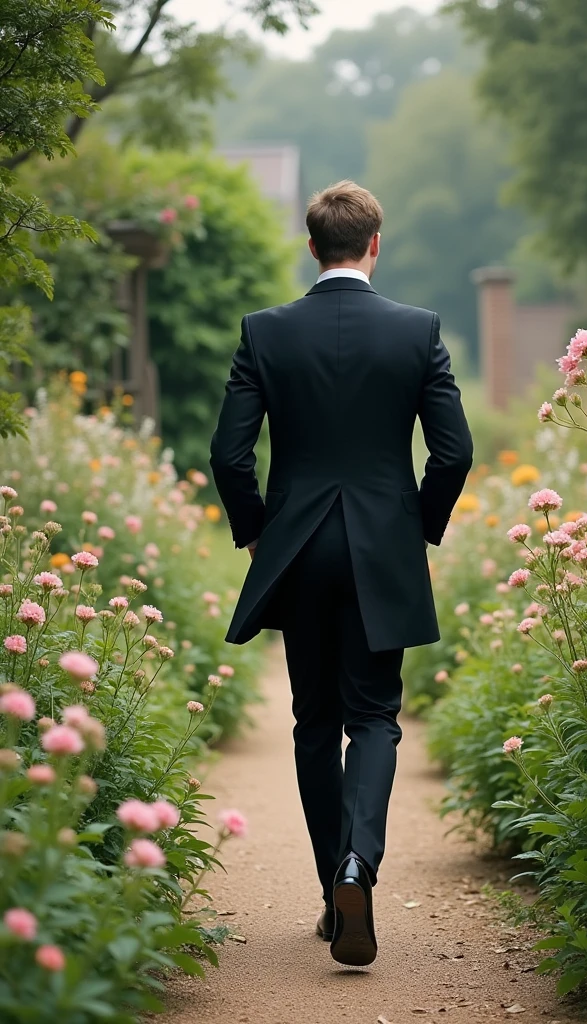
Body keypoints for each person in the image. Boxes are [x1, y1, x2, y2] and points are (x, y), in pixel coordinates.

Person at [210, 180, 473, 967]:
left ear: (312, 244)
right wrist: (412, 529)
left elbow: (229, 455)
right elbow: (453, 452)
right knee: (375, 717)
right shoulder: (417, 331)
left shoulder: (265, 332)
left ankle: (333, 889)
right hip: (378, 551)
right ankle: (361, 864)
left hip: (297, 550)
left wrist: (258, 533)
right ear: (374, 245)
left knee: (315, 723)